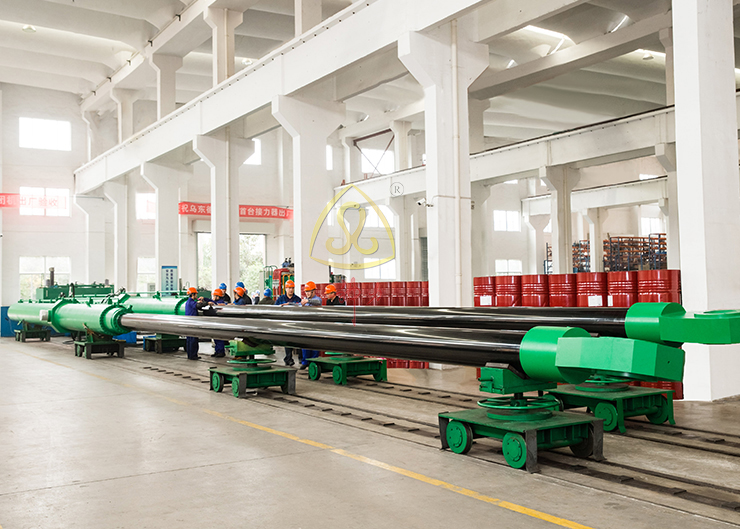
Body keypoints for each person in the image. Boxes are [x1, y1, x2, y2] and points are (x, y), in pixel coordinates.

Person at [275, 280, 301, 365]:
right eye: (289, 288)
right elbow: (275, 309)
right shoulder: (280, 299)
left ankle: (301, 359)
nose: (291, 290)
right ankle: (289, 359)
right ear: (285, 288)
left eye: (292, 288)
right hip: (285, 323)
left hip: (295, 323)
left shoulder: (297, 299)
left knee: (298, 342)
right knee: (288, 341)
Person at [184, 287, 213, 360]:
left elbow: (198, 306)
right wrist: (207, 303)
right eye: (196, 294)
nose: (197, 295)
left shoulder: (189, 302)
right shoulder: (191, 302)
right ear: (193, 294)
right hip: (192, 323)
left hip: (189, 322)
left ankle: (190, 355)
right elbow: (198, 306)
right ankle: (193, 355)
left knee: (189, 340)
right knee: (193, 340)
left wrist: (201, 302)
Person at [299, 281, 322, 369]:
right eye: (306, 291)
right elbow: (299, 305)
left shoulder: (317, 299)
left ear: (313, 291)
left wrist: (307, 301)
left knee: (315, 345)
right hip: (306, 325)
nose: (307, 293)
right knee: (305, 344)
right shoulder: (304, 300)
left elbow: (318, 302)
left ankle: (314, 362)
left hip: (315, 326)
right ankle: (305, 362)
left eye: (309, 291)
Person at [211, 288, 228, 357]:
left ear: (217, 296)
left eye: (214, 296)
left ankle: (221, 352)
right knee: (216, 338)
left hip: (219, 322)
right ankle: (217, 351)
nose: (213, 297)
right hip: (215, 322)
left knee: (219, 338)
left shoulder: (220, 303)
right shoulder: (216, 302)